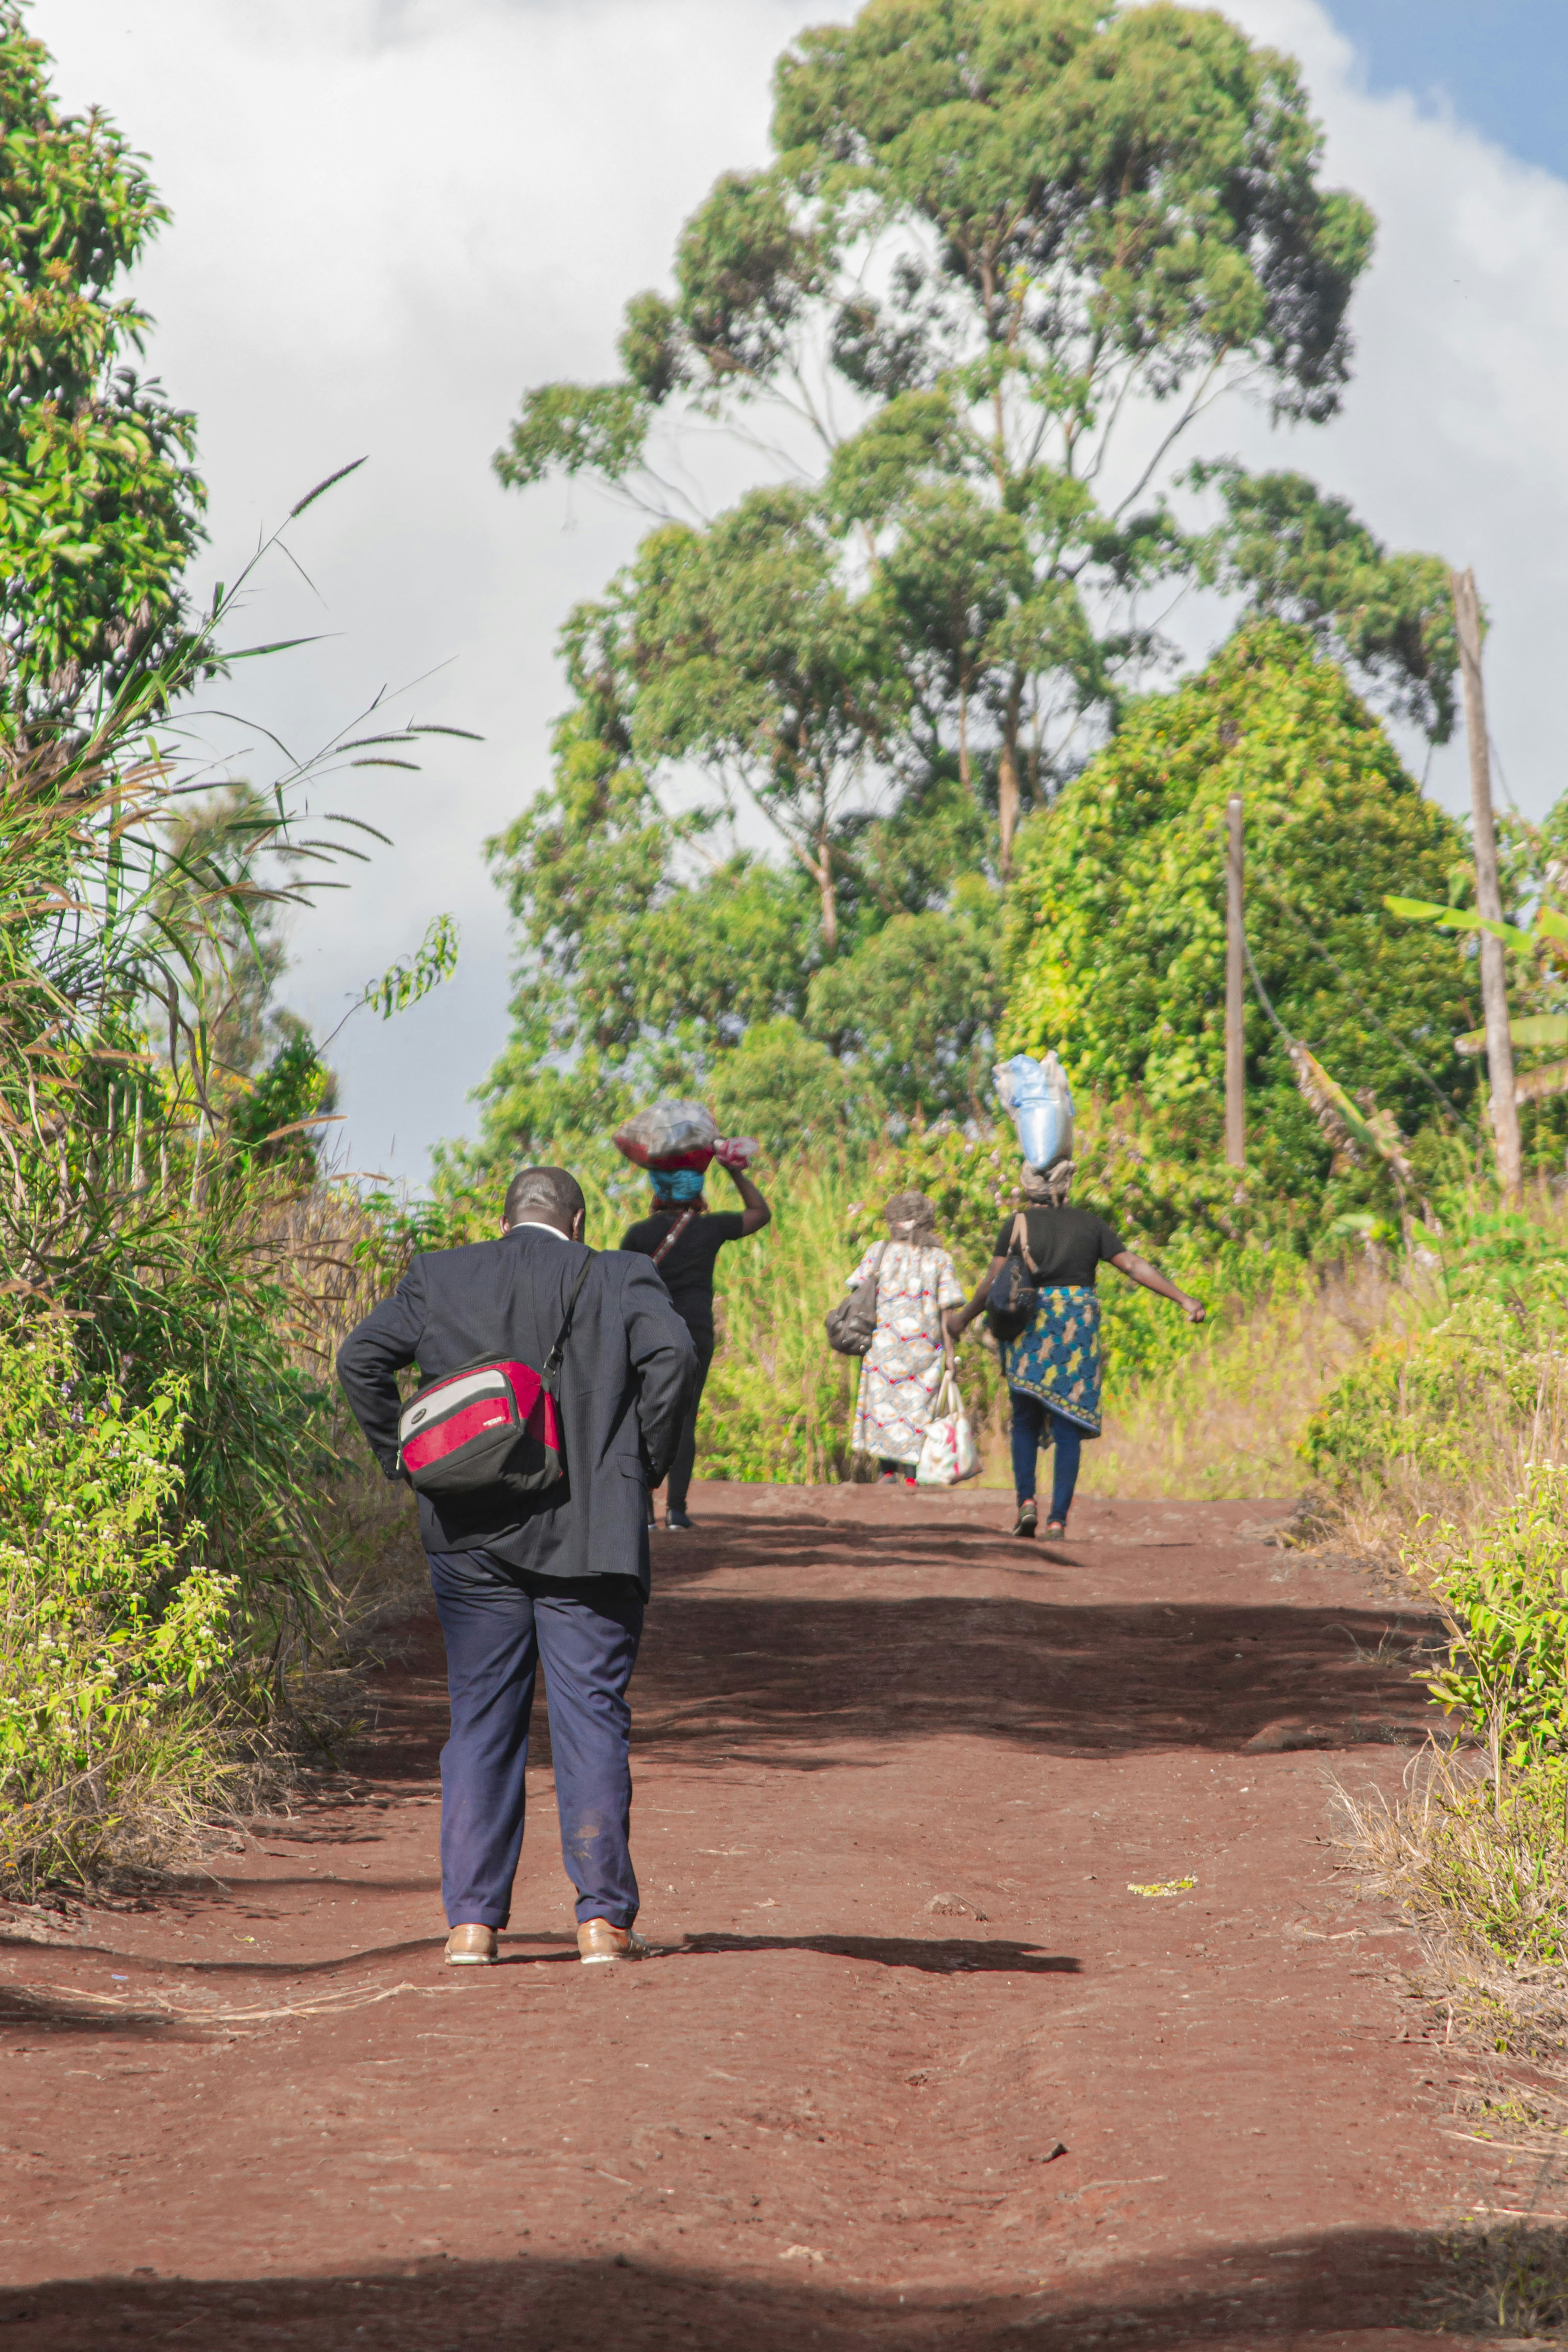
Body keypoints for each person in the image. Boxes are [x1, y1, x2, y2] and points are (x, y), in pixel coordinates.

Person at [336, 1165, 697, 1969]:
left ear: (506, 1219)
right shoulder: (618, 1274)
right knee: (591, 1716)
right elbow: (673, 1351)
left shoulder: (442, 1274)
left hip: (470, 1536)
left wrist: (403, 1457)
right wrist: (639, 1460)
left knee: (480, 1722)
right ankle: (602, 1923)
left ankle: (471, 1925)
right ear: (575, 1223)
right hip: (592, 1538)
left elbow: (360, 1359)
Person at [953, 1160, 1205, 1540]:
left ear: (1026, 1188)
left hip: (1030, 1331)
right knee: (1068, 1427)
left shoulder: (1016, 1224)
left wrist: (962, 1319)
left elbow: (993, 1281)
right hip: (1077, 1333)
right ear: (1066, 1188)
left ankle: (1026, 1503)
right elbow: (1133, 1267)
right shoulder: (1090, 1225)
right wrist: (1183, 1299)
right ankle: (1057, 1521)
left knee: (1024, 1419)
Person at [619, 1156, 771, 1530]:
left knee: (641, 1414)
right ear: (697, 1194)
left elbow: (620, 1285)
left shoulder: (638, 1235)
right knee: (685, 1419)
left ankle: (642, 1512)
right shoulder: (710, 1229)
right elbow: (760, 1213)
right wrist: (735, 1170)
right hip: (696, 1332)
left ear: (657, 1193)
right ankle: (677, 1511)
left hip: (647, 1332)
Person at [844, 1190, 967, 1484]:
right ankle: (912, 1476)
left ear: (893, 1221)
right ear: (927, 1222)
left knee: (884, 1408)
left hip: (883, 1346)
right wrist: (950, 1356)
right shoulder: (939, 1259)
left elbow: (856, 1290)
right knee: (917, 1410)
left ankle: (887, 1472)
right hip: (925, 1351)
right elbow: (946, 1311)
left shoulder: (878, 1251)